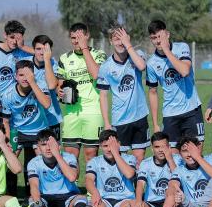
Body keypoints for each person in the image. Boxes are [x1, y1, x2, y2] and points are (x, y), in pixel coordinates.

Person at [57, 23, 108, 167]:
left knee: (90, 155)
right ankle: (72, 189)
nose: (76, 41)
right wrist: (59, 91)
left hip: (93, 111)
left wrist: (85, 48)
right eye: (73, 38)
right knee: (70, 157)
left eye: (79, 37)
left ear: (87, 36)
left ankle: (91, 190)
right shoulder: (64, 58)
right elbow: (60, 84)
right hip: (71, 113)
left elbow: (96, 74)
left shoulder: (99, 54)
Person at [97, 27, 149, 164]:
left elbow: (142, 66)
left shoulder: (137, 54)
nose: (120, 43)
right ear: (111, 41)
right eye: (116, 39)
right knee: (120, 158)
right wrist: (107, 123)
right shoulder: (105, 67)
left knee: (139, 158)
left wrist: (128, 45)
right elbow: (103, 96)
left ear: (128, 39)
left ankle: (137, 185)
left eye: (122, 38)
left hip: (140, 116)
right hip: (120, 120)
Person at [146, 20, 203, 145]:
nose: (157, 41)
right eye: (153, 38)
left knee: (196, 153)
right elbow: (153, 92)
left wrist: (166, 51)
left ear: (168, 34)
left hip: (192, 110)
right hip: (170, 114)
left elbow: (184, 71)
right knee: (173, 157)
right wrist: (155, 124)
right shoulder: (151, 64)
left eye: (160, 36)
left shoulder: (182, 47)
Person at [0, 59, 51, 196]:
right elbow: (5, 121)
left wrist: (33, 83)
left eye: (28, 75)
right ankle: (10, 195)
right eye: (21, 75)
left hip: (39, 130)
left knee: (41, 163)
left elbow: (46, 104)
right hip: (18, 131)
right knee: (11, 163)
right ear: (16, 76)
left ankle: (40, 194)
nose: (25, 78)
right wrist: (9, 141)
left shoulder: (40, 85)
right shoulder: (8, 95)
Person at [26, 129, 88, 207]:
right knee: (32, 199)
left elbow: (72, 177)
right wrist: (38, 203)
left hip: (68, 195)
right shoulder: (33, 163)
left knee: (81, 198)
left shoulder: (69, 157)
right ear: (38, 147)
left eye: (50, 145)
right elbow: (34, 186)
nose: (47, 148)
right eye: (43, 145)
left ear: (57, 145)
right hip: (45, 197)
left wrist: (57, 155)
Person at [83, 129, 138, 207]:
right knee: (97, 206)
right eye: (105, 146)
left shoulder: (130, 158)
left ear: (118, 144)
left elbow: (129, 174)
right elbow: (88, 180)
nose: (109, 149)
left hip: (125, 198)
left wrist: (116, 153)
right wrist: (95, 193)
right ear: (100, 146)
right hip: (104, 199)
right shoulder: (95, 161)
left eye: (111, 146)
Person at [0, 20, 33, 106]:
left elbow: (43, 55)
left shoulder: (21, 53)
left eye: (18, 39)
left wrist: (23, 46)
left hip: (10, 102)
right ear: (5, 35)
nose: (15, 42)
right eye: (12, 37)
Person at [132, 132, 178, 207]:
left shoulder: (176, 160)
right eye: (157, 147)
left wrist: (170, 159)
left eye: (164, 147)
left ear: (169, 147)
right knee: (136, 203)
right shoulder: (145, 163)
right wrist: (139, 201)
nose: (161, 150)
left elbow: (178, 178)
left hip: (169, 200)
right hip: (151, 203)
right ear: (152, 149)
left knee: (172, 204)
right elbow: (140, 183)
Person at [31, 35, 63, 140]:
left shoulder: (53, 63)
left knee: (53, 151)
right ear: (33, 50)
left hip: (52, 117)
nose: (41, 52)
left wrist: (47, 60)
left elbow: (52, 85)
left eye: (45, 50)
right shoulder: (26, 64)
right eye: (38, 49)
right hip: (32, 119)